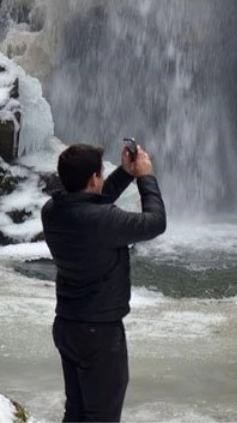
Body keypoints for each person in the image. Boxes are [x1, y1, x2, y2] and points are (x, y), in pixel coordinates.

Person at [42, 142, 166, 423]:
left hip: (68, 325)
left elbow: (91, 202)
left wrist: (124, 173)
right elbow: (156, 222)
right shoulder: (102, 220)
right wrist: (145, 176)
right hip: (99, 333)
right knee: (102, 417)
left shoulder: (53, 210)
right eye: (101, 173)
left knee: (76, 411)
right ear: (94, 178)